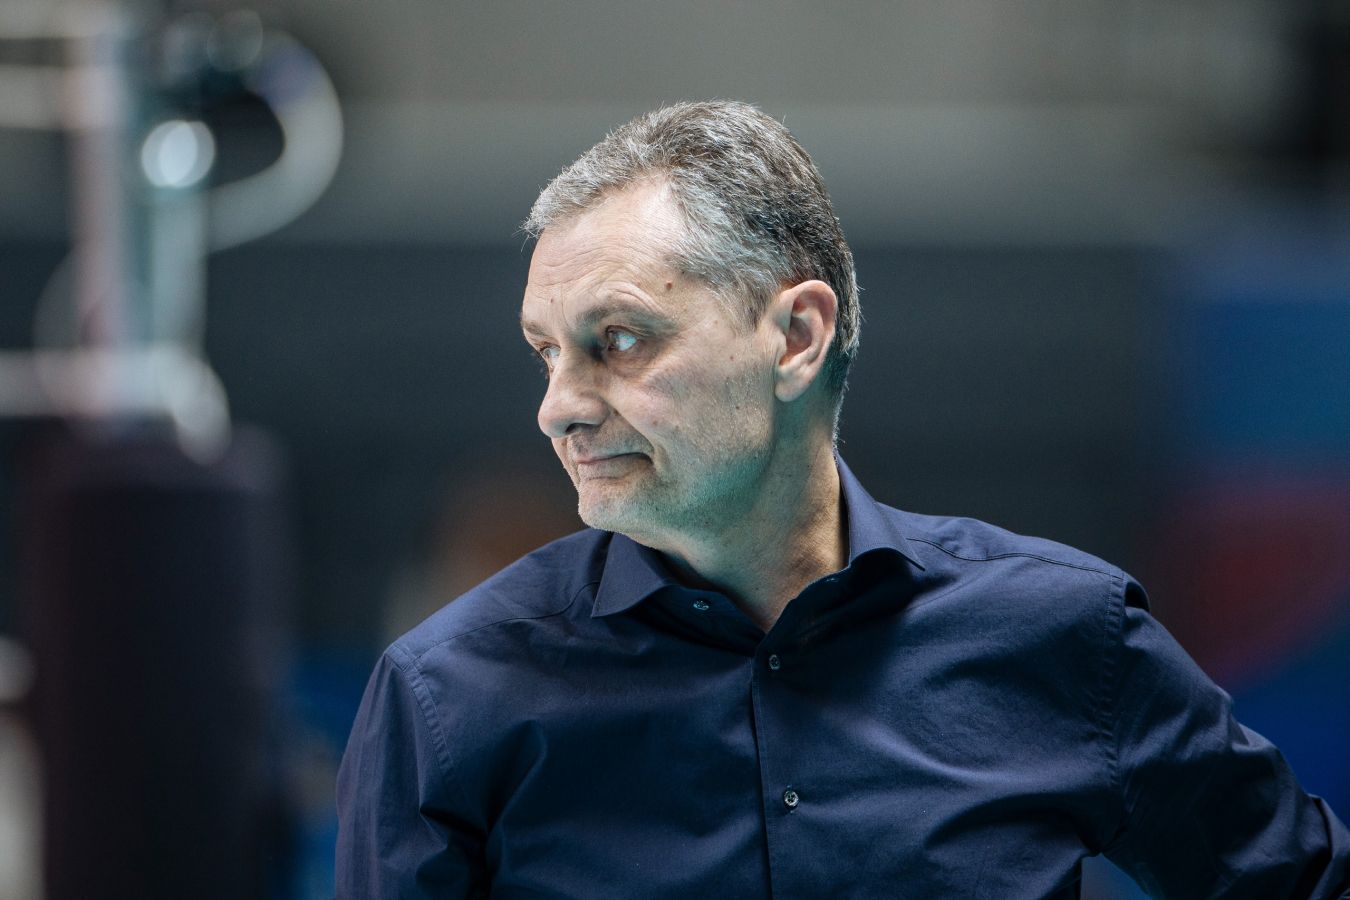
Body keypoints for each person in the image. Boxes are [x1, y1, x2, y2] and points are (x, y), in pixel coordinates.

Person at [336, 100, 1350, 898]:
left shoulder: (1066, 639)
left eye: (621, 339)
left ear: (796, 337)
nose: (559, 407)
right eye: (547, 353)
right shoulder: (450, 697)